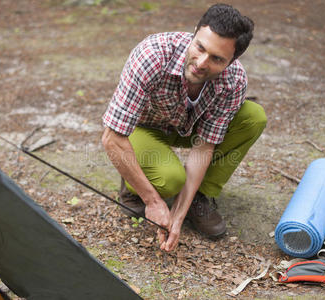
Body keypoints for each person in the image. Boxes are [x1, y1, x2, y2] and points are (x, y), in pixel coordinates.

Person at [102, 3, 266, 252]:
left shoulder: (235, 80)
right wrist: (154, 201)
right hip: (145, 127)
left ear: (233, 60)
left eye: (216, 59)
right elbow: (112, 138)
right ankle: (135, 187)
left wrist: (177, 216)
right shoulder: (153, 55)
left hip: (190, 129)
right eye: (200, 47)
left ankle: (199, 197)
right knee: (169, 181)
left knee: (253, 117)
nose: (201, 62)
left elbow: (205, 146)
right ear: (195, 32)